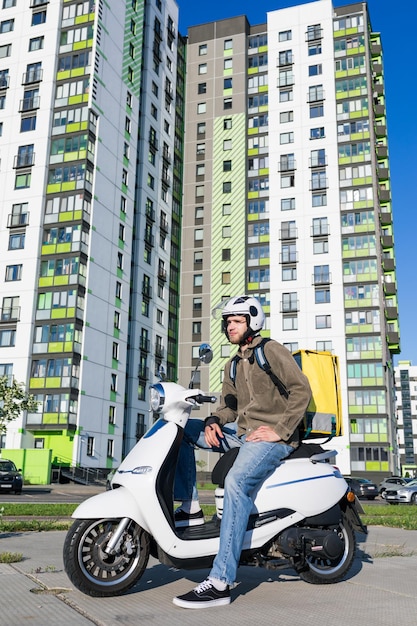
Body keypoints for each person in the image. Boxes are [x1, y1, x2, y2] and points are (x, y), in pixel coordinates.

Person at [173, 295, 312, 609]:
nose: (230, 326)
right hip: (243, 433)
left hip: (273, 438)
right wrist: (212, 421)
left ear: (252, 321)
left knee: (235, 483)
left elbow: (301, 390)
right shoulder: (233, 363)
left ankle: (221, 580)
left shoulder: (270, 350)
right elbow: (228, 407)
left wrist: (279, 430)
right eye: (227, 322)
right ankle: (190, 506)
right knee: (179, 432)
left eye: (236, 321)